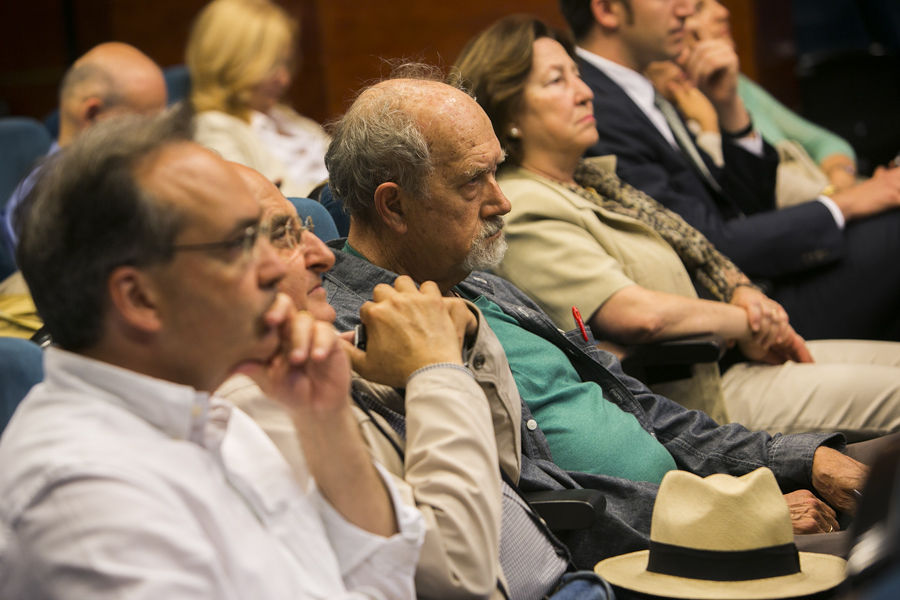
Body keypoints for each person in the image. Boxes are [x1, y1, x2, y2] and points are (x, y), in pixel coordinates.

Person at [320, 66, 872, 566]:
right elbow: (538, 502)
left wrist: (800, 459)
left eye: (498, 172)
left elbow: (651, 414)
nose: (502, 200)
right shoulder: (363, 338)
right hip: (651, 550)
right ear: (393, 205)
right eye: (472, 181)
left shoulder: (480, 284)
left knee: (876, 470)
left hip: (697, 501)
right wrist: (740, 511)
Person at [0, 111, 423, 597]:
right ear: (140, 299)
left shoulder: (209, 411)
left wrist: (325, 422)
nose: (309, 260)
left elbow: (381, 584)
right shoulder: (81, 494)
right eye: (242, 244)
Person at [451, 14, 900, 438]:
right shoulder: (522, 206)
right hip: (693, 408)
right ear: (509, 114)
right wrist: (749, 318)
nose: (585, 92)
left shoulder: (596, 183)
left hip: (730, 364)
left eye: (577, 74)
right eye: (557, 81)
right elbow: (638, 315)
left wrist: (741, 292)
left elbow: (704, 243)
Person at [218, 164, 613, 599]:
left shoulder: (337, 350)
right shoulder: (258, 403)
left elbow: (504, 464)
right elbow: (458, 579)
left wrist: (464, 339)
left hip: (565, 578)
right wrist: (438, 369)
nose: (323, 255)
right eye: (282, 235)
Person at [559, 0, 900, 341]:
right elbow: (703, 240)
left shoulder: (634, 88)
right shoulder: (593, 104)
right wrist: (847, 203)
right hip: (733, 316)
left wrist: (729, 107)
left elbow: (746, 207)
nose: (684, 10)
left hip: (758, 280)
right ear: (606, 10)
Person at [650, 0, 862, 207]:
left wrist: (841, 181)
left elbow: (826, 142)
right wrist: (709, 126)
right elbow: (734, 201)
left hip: (834, 198)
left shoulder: (733, 83)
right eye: (699, 8)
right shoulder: (680, 105)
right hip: (807, 217)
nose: (722, 12)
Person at [1, 41, 167, 255]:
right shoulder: (49, 200)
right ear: (92, 114)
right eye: (146, 122)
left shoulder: (126, 173)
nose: (160, 136)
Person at [187, 0, 330, 198]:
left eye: (286, 63)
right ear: (231, 63)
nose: (285, 79)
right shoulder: (214, 129)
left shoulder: (286, 117)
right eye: (271, 65)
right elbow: (263, 206)